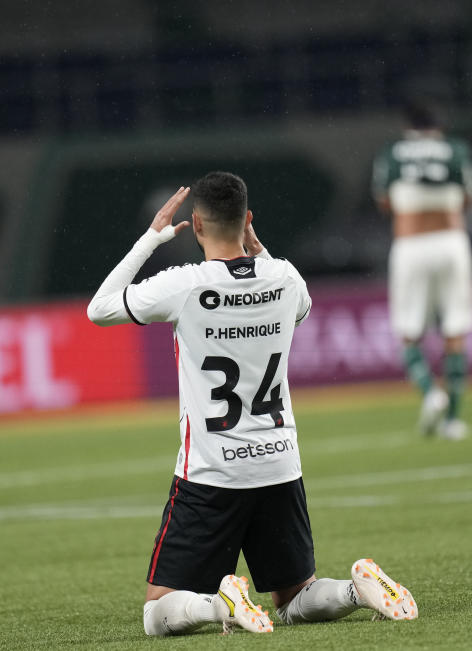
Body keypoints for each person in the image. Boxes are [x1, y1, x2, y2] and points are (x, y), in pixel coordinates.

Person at [87, 172, 418, 636]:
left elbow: (99, 309)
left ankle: (219, 605)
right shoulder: (284, 276)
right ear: (248, 221)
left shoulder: (185, 284)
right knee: (295, 596)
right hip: (279, 466)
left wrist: (152, 238)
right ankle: (354, 591)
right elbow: (301, 308)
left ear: (197, 226)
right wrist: (259, 251)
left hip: (212, 471)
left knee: (156, 615)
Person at [372, 98, 472, 440]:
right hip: (451, 241)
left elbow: (383, 201)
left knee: (408, 330)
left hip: (411, 243)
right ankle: (453, 421)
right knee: (455, 330)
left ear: (407, 127)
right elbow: (469, 196)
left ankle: (431, 393)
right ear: (440, 126)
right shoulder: (455, 149)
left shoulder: (392, 152)